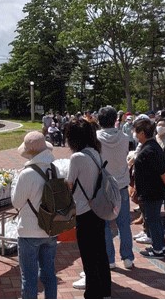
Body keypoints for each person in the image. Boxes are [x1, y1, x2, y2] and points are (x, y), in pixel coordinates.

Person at [66, 118, 111, 298]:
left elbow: (70, 184)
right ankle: (105, 290)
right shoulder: (96, 152)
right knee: (100, 252)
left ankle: (93, 293)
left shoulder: (77, 157)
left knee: (88, 254)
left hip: (84, 211)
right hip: (99, 209)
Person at [11, 131, 57, 299]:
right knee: (49, 275)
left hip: (29, 232)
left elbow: (16, 203)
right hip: (51, 228)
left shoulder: (27, 174)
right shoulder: (55, 168)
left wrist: (15, 181)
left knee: (29, 279)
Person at [95, 106, 134, 270]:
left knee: (104, 226)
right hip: (121, 185)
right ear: (115, 120)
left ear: (99, 120)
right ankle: (128, 258)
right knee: (124, 224)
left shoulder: (95, 138)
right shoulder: (125, 138)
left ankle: (109, 259)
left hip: (103, 187)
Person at [133, 118, 165, 259]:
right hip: (153, 190)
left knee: (152, 219)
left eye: (137, 132)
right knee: (155, 219)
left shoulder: (149, 149)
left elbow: (162, 170)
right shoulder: (152, 146)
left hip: (152, 191)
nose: (135, 135)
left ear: (143, 133)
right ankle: (161, 246)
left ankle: (158, 249)